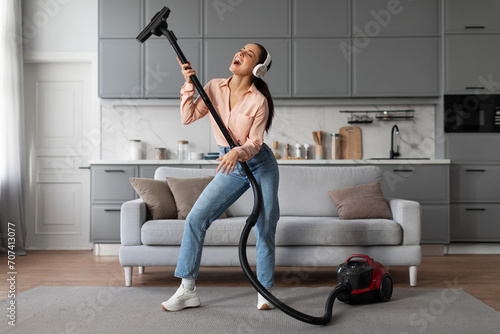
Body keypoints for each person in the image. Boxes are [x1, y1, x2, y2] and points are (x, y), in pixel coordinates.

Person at [161, 43, 280, 312]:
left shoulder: (258, 101)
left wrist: (237, 152)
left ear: (258, 68)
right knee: (196, 218)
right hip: (232, 165)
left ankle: (265, 291)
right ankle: (187, 290)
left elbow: (255, 142)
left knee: (265, 224)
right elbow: (188, 116)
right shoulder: (214, 87)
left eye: (248, 54)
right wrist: (188, 85)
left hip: (259, 164)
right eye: (240, 50)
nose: (239, 54)